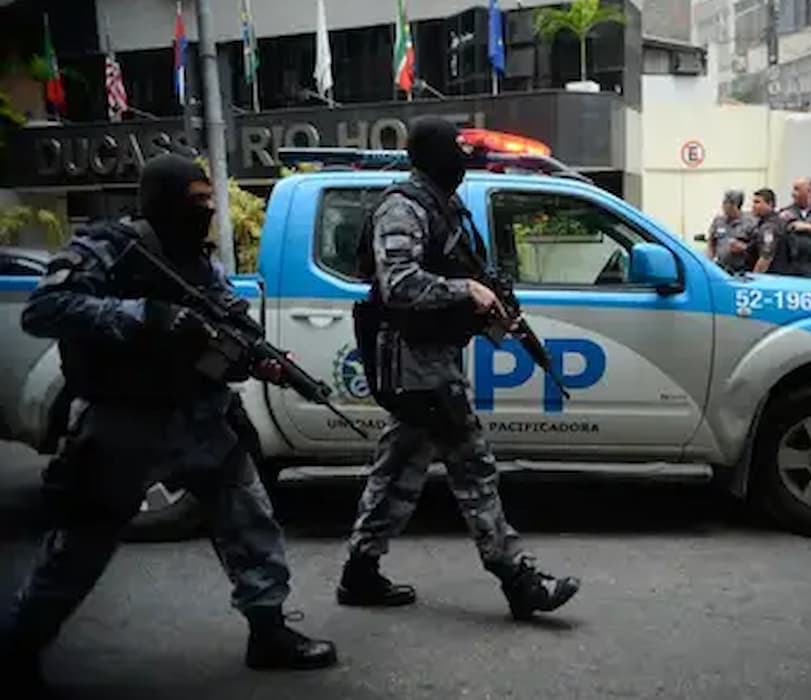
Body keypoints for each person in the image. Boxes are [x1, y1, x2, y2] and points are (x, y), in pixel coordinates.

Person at [0, 154, 338, 691]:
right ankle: (20, 648)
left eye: (209, 203)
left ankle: (269, 630)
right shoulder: (108, 246)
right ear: (160, 201)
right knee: (81, 546)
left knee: (249, 521)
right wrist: (145, 317)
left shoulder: (200, 263)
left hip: (201, 417)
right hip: (123, 423)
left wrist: (258, 358)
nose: (204, 212)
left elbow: (228, 319)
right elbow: (45, 309)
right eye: (194, 202)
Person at [336, 116, 580, 620]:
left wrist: (488, 302)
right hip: (414, 361)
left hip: (432, 355)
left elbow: (460, 268)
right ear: (430, 156)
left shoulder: (445, 206)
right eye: (454, 152)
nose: (462, 163)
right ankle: (518, 579)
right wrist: (465, 291)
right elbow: (399, 283)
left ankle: (360, 572)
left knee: (399, 465)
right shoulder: (402, 208)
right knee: (472, 464)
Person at [706, 189, 757, 274]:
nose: (724, 206)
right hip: (721, 269)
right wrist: (709, 262)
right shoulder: (718, 221)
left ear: (736, 205)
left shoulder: (750, 222)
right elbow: (711, 242)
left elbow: (757, 248)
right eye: (724, 203)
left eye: (728, 204)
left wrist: (743, 248)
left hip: (741, 270)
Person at [747, 188, 792, 275]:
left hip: (771, 276)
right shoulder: (763, 223)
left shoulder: (770, 226)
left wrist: (754, 279)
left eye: (757, 202)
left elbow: (766, 256)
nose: (753, 206)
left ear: (770, 204)